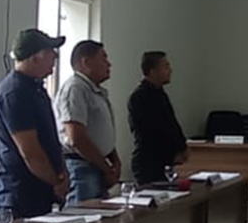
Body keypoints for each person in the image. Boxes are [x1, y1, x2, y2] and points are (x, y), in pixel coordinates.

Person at [0, 28, 69, 218]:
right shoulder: (15, 93)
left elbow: (49, 138)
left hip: (41, 192)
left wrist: (61, 174)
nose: (55, 56)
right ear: (35, 58)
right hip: (21, 199)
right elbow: (31, 152)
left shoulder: (35, 88)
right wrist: (57, 182)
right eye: (51, 51)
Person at [54, 40, 120, 204]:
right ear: (86, 62)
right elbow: (76, 139)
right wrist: (106, 168)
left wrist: (115, 160)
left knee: (102, 216)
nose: (109, 64)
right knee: (85, 216)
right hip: (82, 168)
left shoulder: (95, 91)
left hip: (98, 165)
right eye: (103, 58)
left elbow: (100, 131)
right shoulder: (75, 89)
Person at [128, 51, 188, 184]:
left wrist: (182, 147)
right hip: (149, 162)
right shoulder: (141, 97)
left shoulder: (159, 94)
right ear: (152, 71)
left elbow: (171, 123)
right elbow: (158, 129)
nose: (170, 70)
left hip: (162, 161)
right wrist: (178, 148)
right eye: (165, 66)